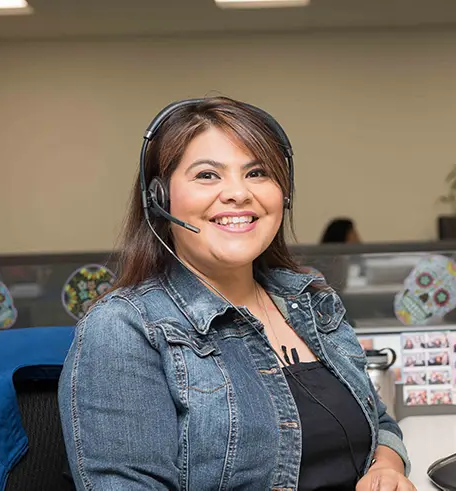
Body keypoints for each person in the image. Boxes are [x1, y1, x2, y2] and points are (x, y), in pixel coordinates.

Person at [57, 97, 413, 491]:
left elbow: (378, 419)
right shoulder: (123, 328)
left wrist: (387, 468)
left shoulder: (309, 299)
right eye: (208, 175)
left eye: (257, 173)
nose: (238, 193)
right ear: (160, 198)